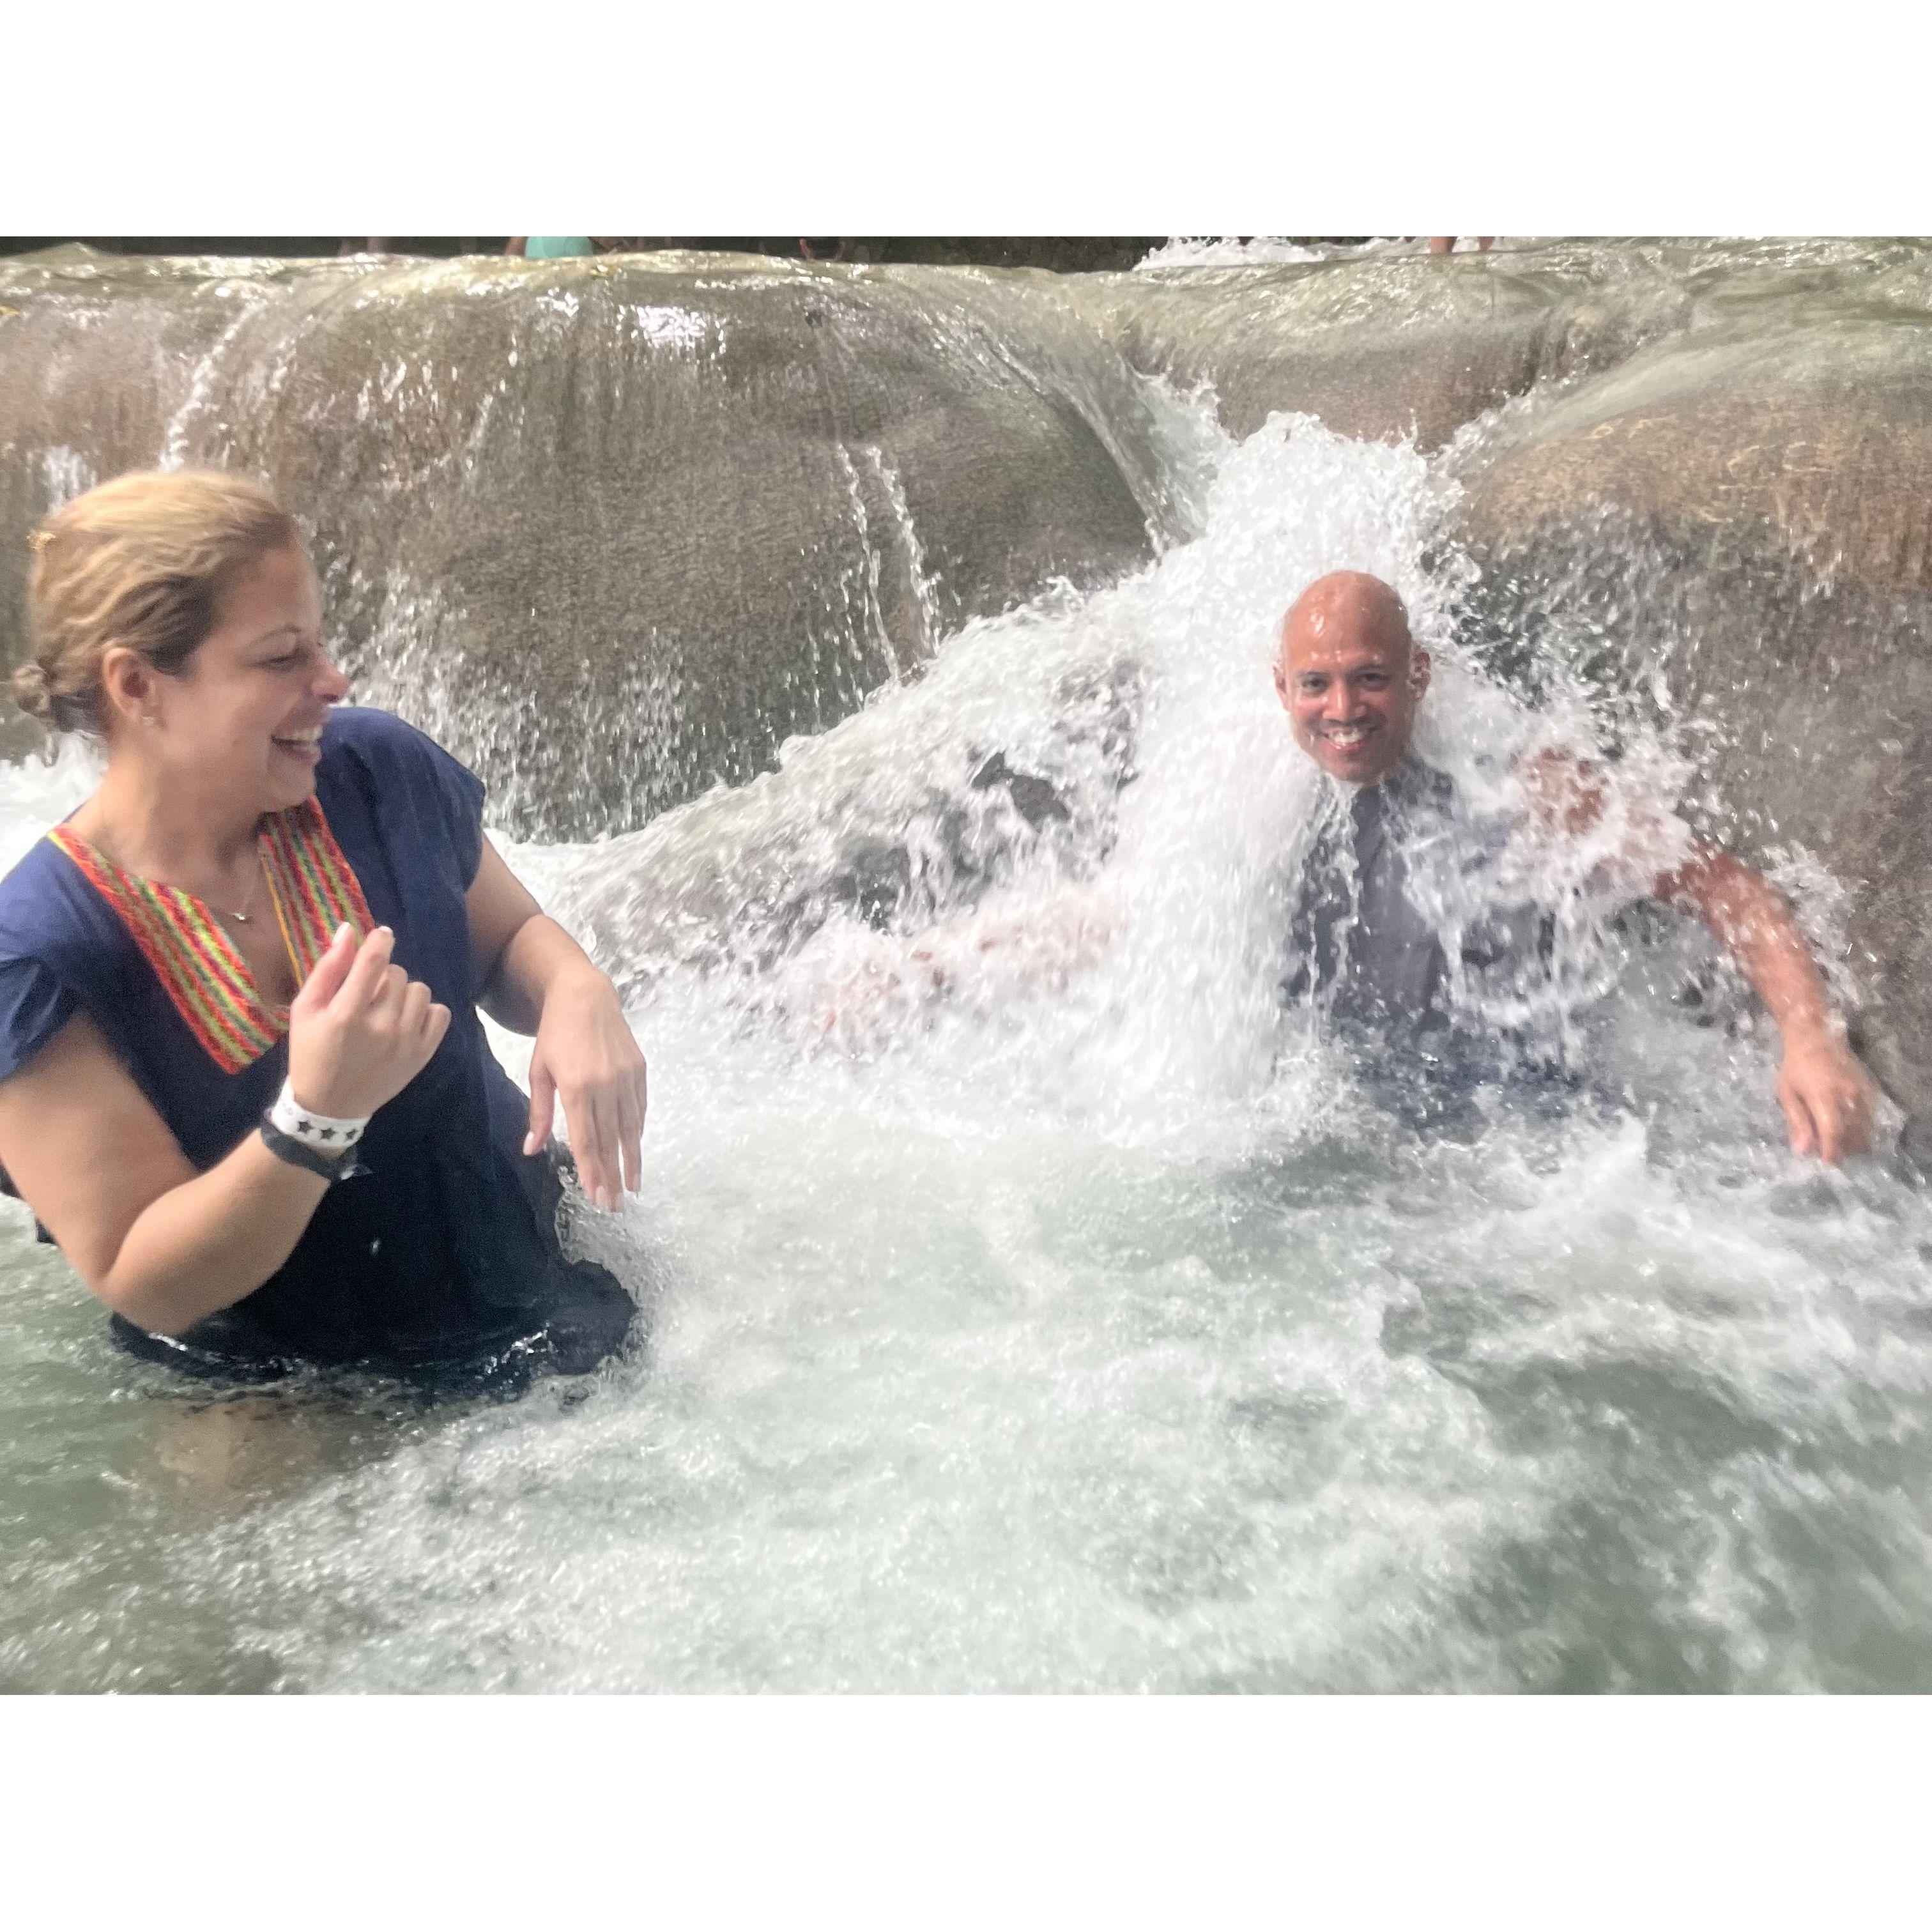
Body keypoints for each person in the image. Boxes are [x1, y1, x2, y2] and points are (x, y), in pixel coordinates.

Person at [0, 470, 652, 1393]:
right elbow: (144, 1276)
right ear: (139, 685)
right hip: (286, 1386)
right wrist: (316, 1116)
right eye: (281, 658)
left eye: (320, 643)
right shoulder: (35, 958)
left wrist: (577, 989)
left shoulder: (375, 772)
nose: (332, 681)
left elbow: (508, 943)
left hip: (528, 1263)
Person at [1268, 571, 1876, 1161]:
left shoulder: (1512, 786)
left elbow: (1725, 890)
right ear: (1283, 688)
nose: (1343, 708)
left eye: (1370, 678)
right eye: (1316, 684)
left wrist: (1811, 1038)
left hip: (1521, 1144)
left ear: (1417, 675)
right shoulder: (1253, 812)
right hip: (1343, 1132)